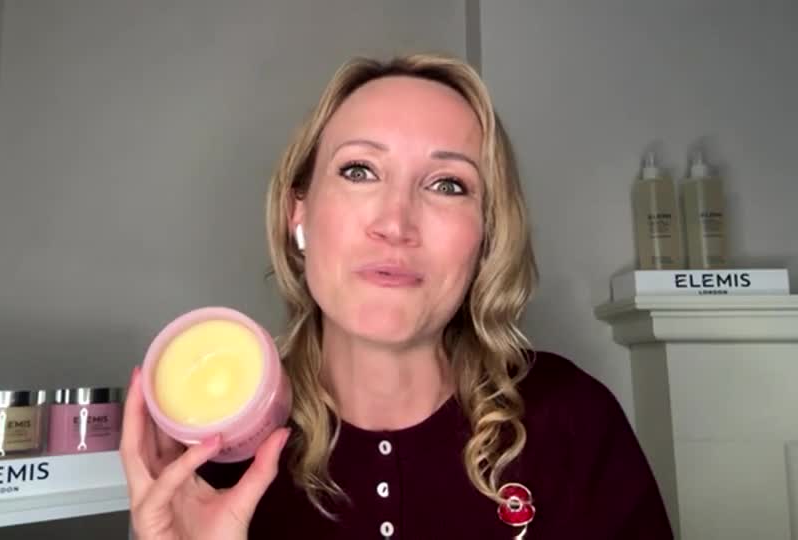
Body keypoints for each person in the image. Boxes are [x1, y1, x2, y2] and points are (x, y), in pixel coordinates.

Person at [120, 53, 674, 540]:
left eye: (448, 184)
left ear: (487, 234)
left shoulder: (573, 419)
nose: (395, 223)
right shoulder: (209, 459)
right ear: (299, 213)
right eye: (359, 171)